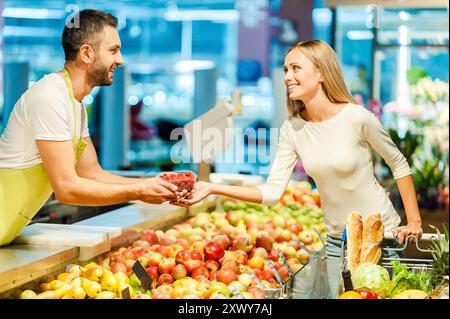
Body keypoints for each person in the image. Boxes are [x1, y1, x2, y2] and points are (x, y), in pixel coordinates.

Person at [177, 40, 423, 295]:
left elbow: (398, 163)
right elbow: (271, 192)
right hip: (338, 241)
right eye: (285, 70)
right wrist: (212, 188)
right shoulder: (292, 129)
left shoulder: (357, 117)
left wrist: (414, 220)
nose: (287, 77)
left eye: (295, 68)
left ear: (321, 73)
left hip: (380, 236)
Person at [0, 10, 183, 246]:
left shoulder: (74, 103)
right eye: (113, 50)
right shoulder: (49, 96)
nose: (120, 60)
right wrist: (138, 192)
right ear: (86, 53)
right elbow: (67, 188)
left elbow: (92, 173)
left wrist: (152, 184)